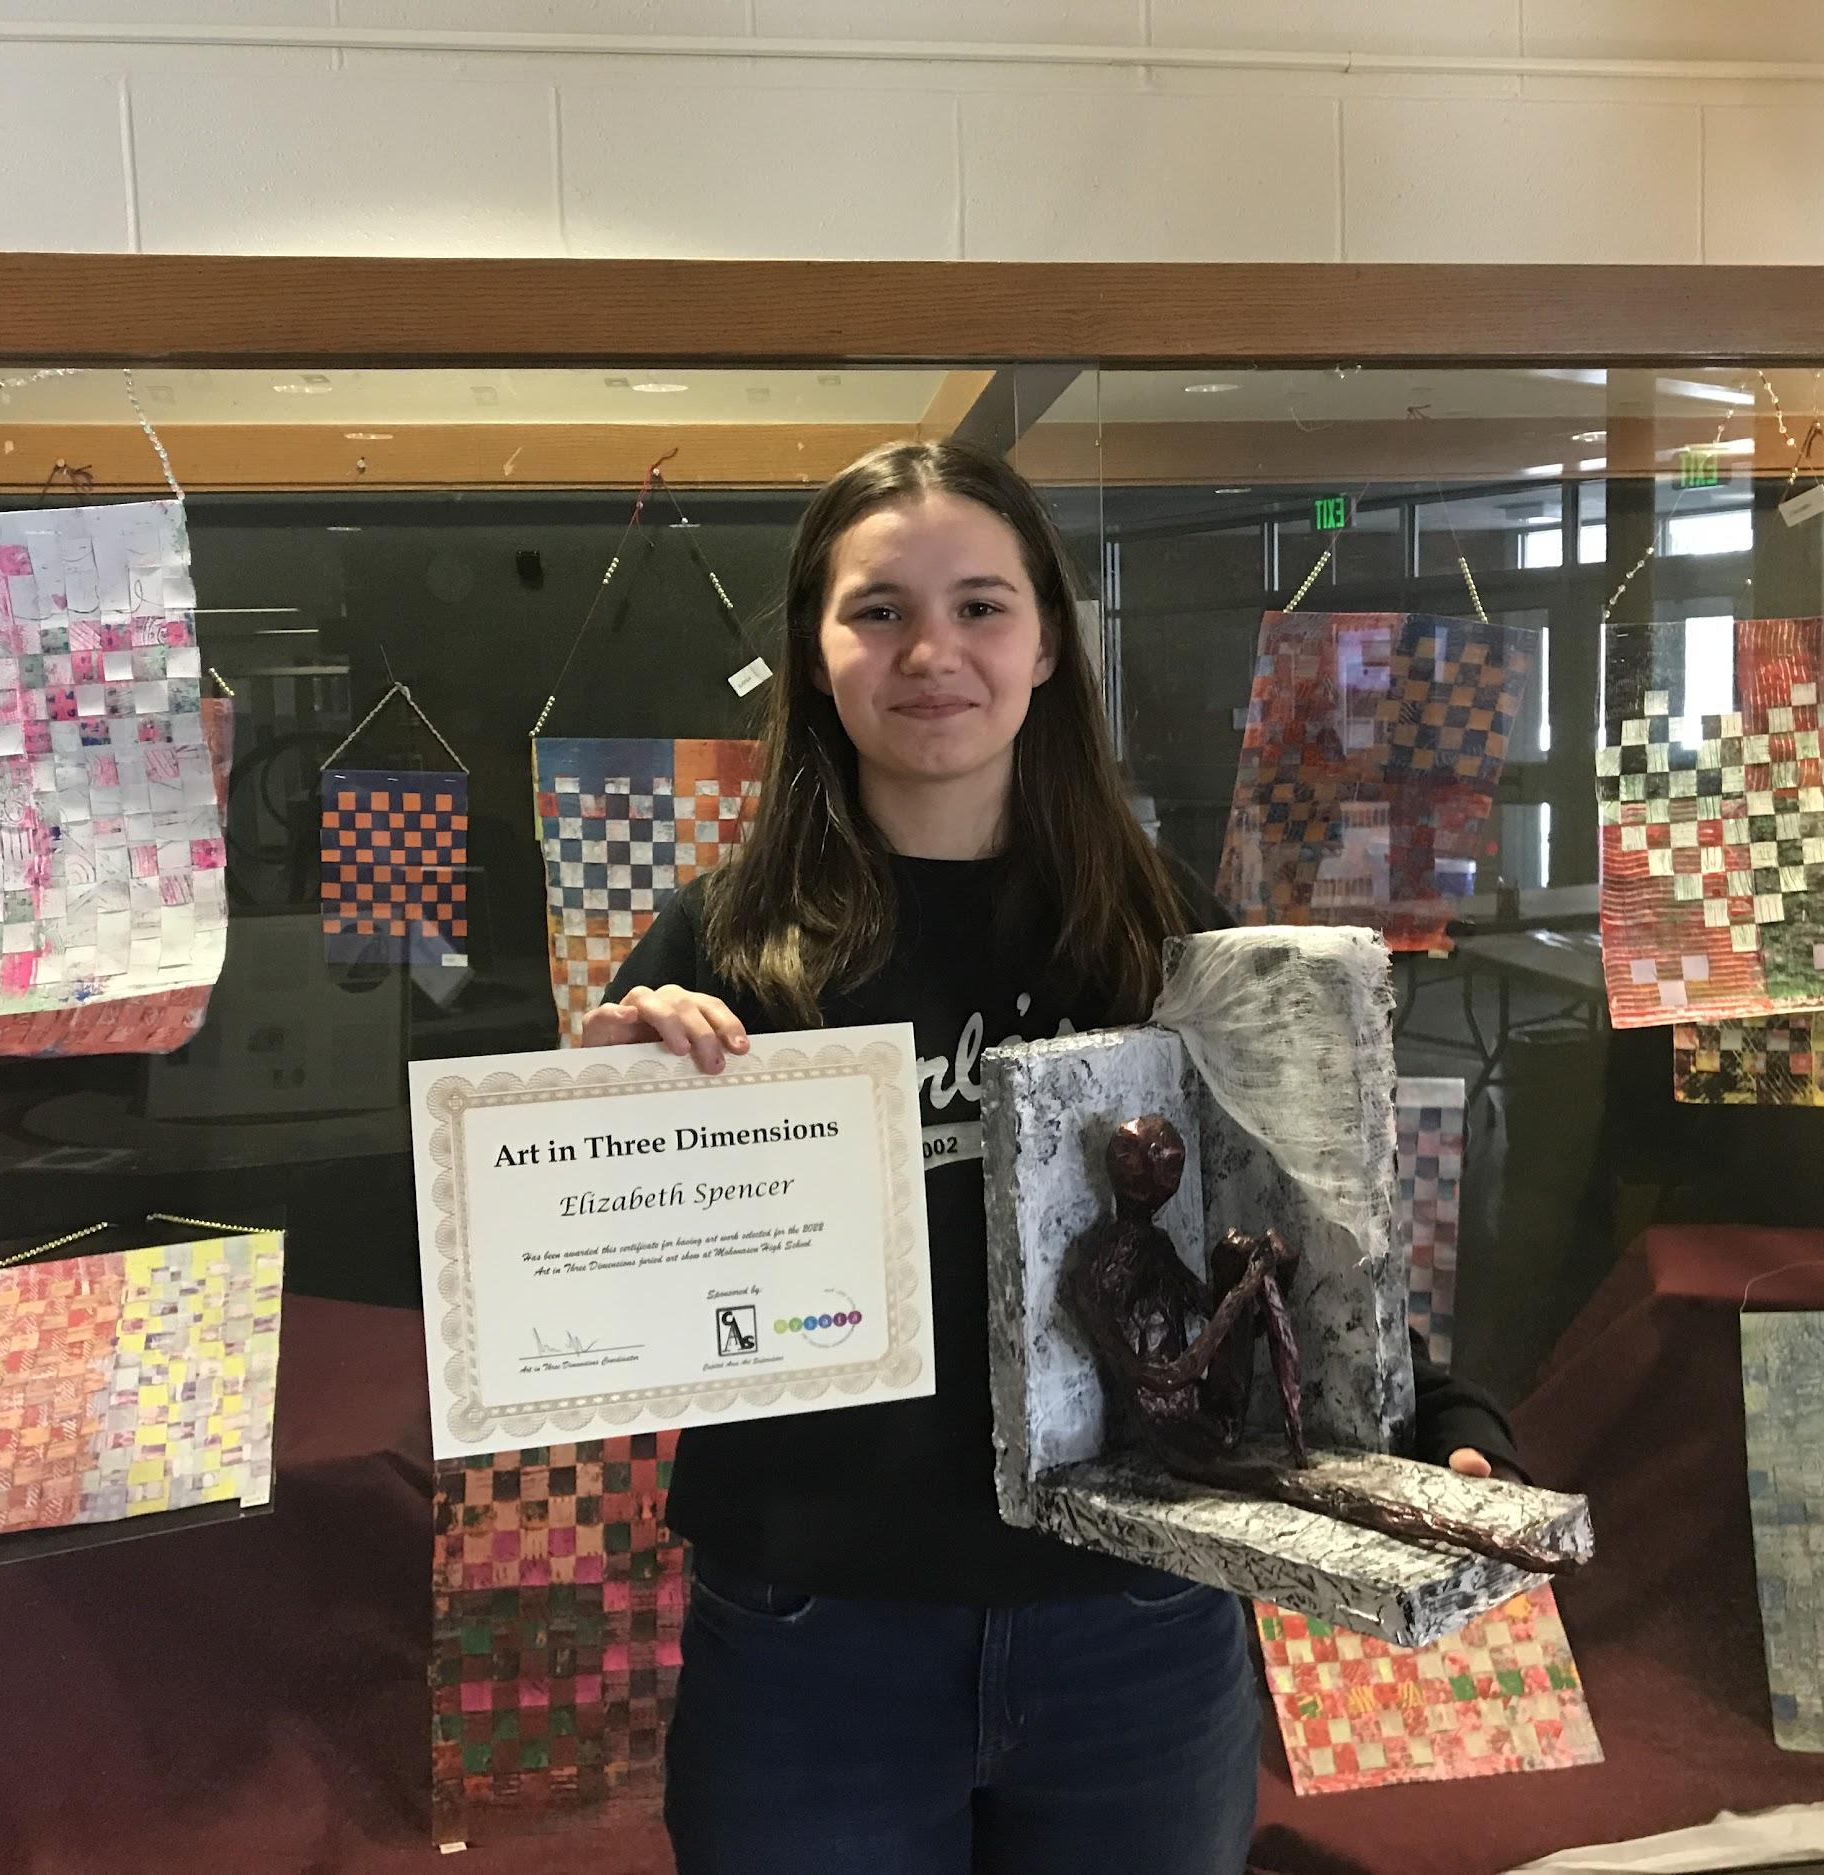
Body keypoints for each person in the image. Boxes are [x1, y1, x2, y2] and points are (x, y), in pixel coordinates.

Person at [581, 440, 1522, 1874]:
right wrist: (590, 1128)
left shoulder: (1163, 930)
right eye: (878, 610)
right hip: (811, 1637)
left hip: (1134, 1625)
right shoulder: (717, 951)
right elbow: (592, 1307)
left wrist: (1425, 1410)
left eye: (981, 605)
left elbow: (1287, 1225)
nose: (931, 652)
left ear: (1048, 645)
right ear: (814, 651)